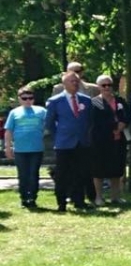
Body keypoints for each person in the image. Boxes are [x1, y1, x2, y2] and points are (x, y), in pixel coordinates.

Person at [44, 71, 93, 211]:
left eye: (77, 81)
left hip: (81, 142)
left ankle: (79, 201)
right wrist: (59, 135)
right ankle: (61, 202)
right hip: (64, 143)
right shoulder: (55, 101)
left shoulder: (86, 100)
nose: (75, 83)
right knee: (62, 174)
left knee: (80, 172)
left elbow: (90, 120)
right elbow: (49, 123)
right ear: (64, 84)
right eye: (72, 81)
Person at [90, 75, 131, 205]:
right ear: (98, 87)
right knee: (99, 169)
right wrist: (113, 126)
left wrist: (123, 124)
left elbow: (128, 115)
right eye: (104, 85)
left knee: (117, 168)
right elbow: (96, 120)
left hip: (118, 140)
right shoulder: (94, 102)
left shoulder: (120, 101)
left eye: (109, 85)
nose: (107, 87)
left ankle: (115, 197)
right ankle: (98, 197)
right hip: (100, 140)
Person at [4, 86, 47, 208]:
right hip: (20, 150)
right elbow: (8, 131)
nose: (28, 100)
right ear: (19, 99)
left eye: (30, 98)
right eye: (24, 98)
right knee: (23, 175)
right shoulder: (14, 113)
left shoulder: (41, 111)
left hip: (36, 149)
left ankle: (32, 197)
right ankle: (24, 197)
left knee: (34, 174)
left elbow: (50, 125)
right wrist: (8, 147)